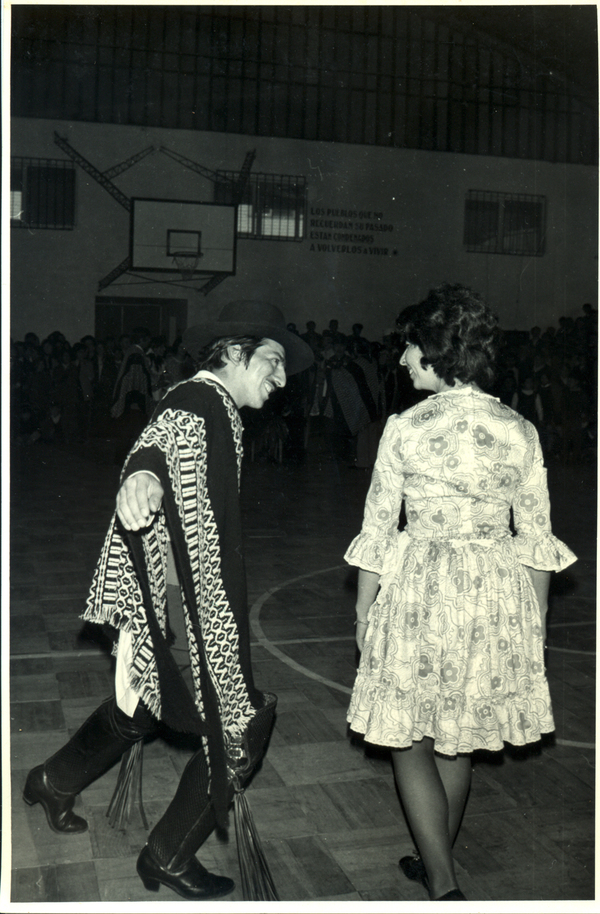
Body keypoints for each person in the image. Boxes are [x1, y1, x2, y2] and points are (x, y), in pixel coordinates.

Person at [23, 301, 314, 900]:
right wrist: (142, 480)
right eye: (274, 360)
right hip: (183, 608)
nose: (282, 379)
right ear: (235, 351)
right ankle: (167, 855)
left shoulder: (219, 407)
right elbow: (155, 445)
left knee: (141, 709)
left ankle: (52, 780)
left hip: (176, 599)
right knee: (242, 727)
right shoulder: (198, 400)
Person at [344, 283, 576, 902]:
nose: (401, 362)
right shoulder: (520, 429)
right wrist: (537, 621)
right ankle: (436, 855)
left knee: (407, 737)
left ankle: (442, 880)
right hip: (495, 595)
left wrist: (364, 611)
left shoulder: (404, 429)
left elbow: (377, 528)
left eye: (410, 350)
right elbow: (537, 539)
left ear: (437, 353)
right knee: (459, 730)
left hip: (421, 588)